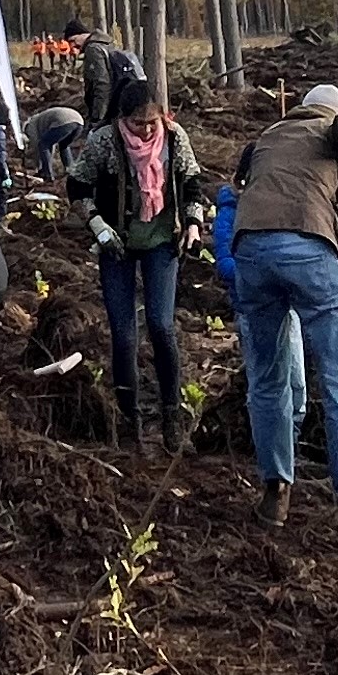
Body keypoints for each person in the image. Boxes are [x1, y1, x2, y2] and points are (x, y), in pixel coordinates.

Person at [226, 82, 338, 553]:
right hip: (306, 245)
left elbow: (242, 178)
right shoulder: (331, 126)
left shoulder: (271, 135)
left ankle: (275, 496)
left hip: (250, 248)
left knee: (267, 380)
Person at [66, 52, 209, 450]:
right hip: (117, 245)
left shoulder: (175, 139)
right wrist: (96, 224)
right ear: (121, 119)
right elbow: (77, 185)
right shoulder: (104, 143)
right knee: (124, 335)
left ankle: (170, 413)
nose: (145, 133)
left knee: (162, 326)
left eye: (152, 123)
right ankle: (129, 420)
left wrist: (194, 223)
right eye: (137, 124)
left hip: (163, 241)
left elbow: (192, 181)